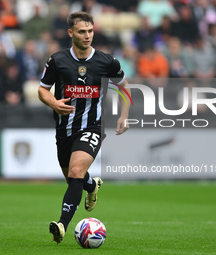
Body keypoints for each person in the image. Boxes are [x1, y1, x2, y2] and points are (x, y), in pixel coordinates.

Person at [38, 12, 130, 244]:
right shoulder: (57, 60)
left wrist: (124, 116)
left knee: (76, 172)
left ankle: (61, 225)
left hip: (93, 126)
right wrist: (53, 102)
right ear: (71, 33)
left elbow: (124, 86)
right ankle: (92, 185)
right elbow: (42, 89)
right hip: (64, 129)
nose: (87, 36)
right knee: (74, 179)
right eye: (82, 31)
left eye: (90, 31)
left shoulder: (107, 62)